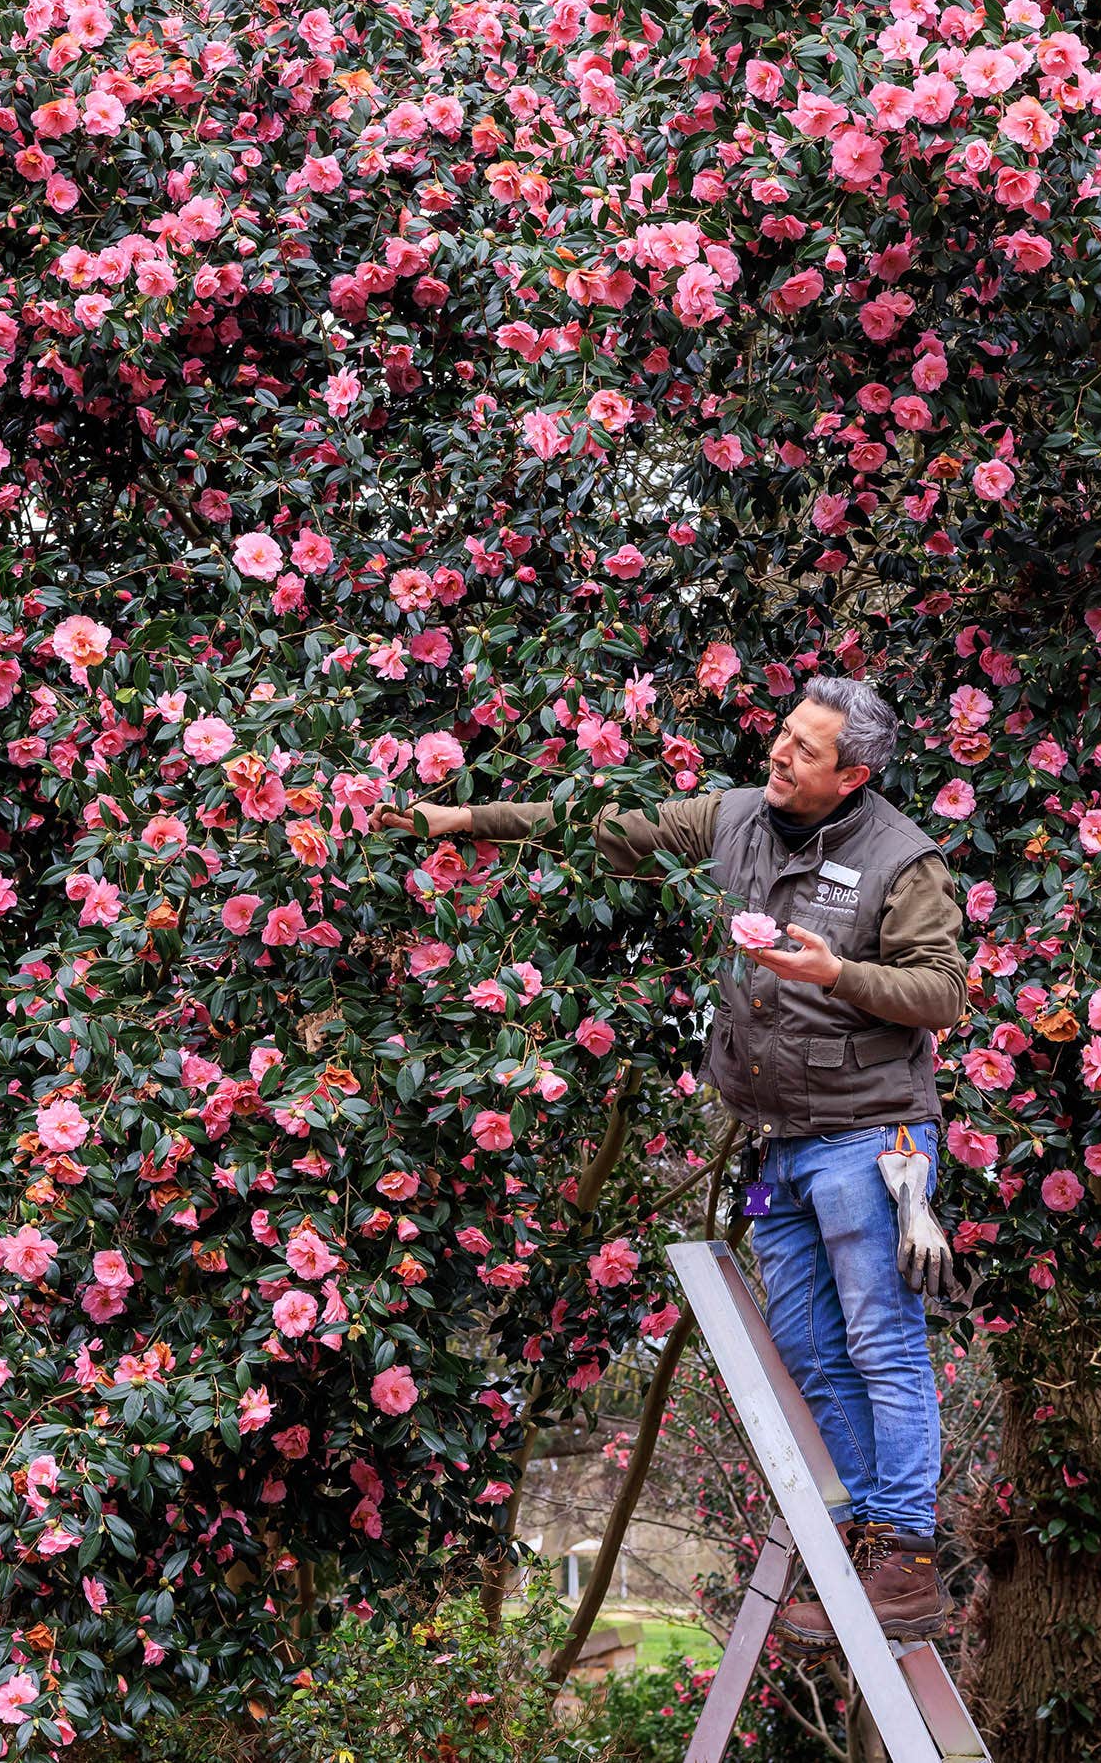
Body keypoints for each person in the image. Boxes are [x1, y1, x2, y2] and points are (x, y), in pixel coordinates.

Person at [398, 674, 968, 1644]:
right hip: (777, 1148)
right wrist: (460, 821)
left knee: (880, 1347)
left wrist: (835, 973)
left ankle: (905, 1559)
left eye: (805, 748)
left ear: (853, 774)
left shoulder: (901, 863)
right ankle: (854, 1551)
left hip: (873, 1141)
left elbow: (941, 992)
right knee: (810, 1358)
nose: (779, 753)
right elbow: (606, 826)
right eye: (783, 734)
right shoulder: (738, 818)